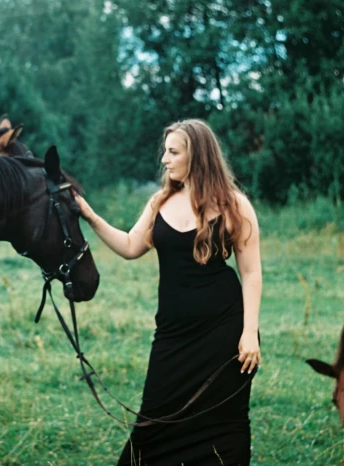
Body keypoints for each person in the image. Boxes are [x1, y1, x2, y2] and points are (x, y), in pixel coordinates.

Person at [75, 119, 262, 465]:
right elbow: (131, 245)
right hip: (173, 335)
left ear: (199, 156)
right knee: (153, 421)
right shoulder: (161, 201)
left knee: (224, 423)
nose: (165, 159)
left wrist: (249, 333)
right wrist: (89, 214)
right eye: (166, 151)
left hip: (225, 332)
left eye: (173, 152)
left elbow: (251, 273)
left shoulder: (235, 205)